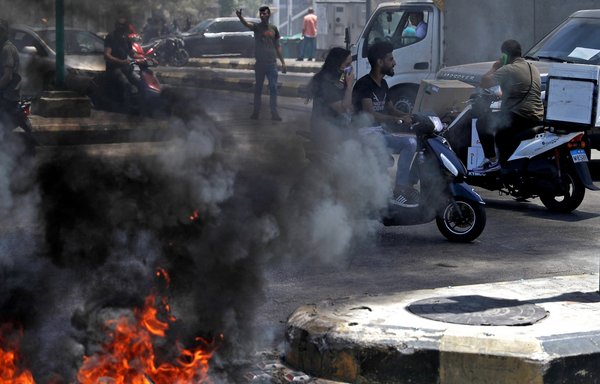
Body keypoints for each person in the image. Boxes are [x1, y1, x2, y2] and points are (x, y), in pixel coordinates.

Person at [352, 41, 418, 207]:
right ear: (380, 62)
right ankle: (399, 190)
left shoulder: (384, 83)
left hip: (378, 132)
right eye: (391, 59)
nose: (394, 62)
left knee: (413, 143)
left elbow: (390, 109)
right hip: (365, 133)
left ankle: (403, 187)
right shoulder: (364, 84)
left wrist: (410, 115)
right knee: (408, 143)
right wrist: (395, 119)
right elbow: (369, 114)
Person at [474, 39, 544, 172]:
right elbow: (521, 88)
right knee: (501, 127)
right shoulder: (533, 67)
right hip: (537, 116)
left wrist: (495, 67)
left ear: (505, 55)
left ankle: (491, 161)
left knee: (483, 123)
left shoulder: (508, 69)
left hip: (520, 116)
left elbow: (484, 82)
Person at [236, 6, 287, 121]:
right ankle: (256, 112)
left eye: (264, 13)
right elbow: (247, 24)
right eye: (261, 14)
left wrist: (283, 63)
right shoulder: (257, 27)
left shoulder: (274, 28)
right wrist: (240, 17)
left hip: (272, 64)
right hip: (260, 64)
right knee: (258, 89)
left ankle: (274, 113)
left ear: (269, 15)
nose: (262, 15)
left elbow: (277, 46)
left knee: (273, 88)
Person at [306, 47, 353, 141]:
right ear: (338, 63)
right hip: (326, 128)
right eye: (347, 64)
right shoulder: (325, 81)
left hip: (337, 124)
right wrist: (349, 86)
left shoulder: (340, 77)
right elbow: (343, 109)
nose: (350, 68)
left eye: (351, 64)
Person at [104, 17, 138, 103]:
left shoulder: (126, 38)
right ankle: (125, 105)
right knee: (126, 84)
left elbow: (132, 54)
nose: (121, 27)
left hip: (126, 67)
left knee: (139, 81)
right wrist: (121, 61)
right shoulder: (111, 37)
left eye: (123, 25)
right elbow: (107, 55)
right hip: (114, 68)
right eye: (119, 25)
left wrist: (145, 58)